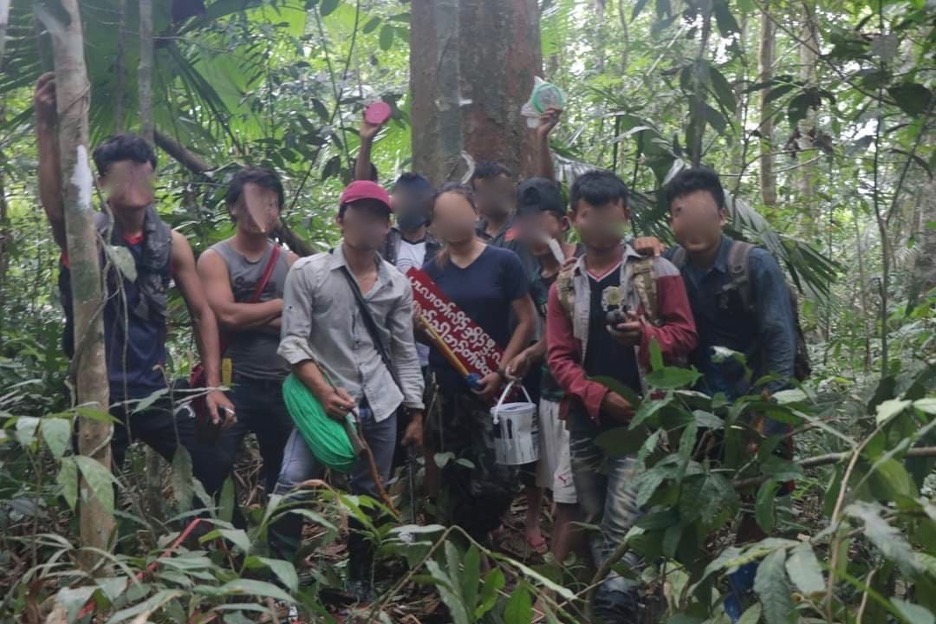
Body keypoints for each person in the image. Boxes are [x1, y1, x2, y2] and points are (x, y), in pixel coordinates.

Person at [34, 73, 235, 494]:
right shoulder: (89, 236)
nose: (133, 185)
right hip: (98, 392)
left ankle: (199, 547)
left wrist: (212, 387)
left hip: (153, 391)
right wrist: (45, 124)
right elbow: (56, 210)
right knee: (89, 494)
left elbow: (203, 313)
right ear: (103, 184)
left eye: (142, 175)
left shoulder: (172, 242)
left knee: (212, 467)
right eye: (122, 176)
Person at [646, 167, 799, 622]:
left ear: (721, 215)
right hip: (696, 407)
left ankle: (741, 595)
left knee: (756, 499)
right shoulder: (668, 264)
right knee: (691, 497)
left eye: (695, 212)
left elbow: (779, 343)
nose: (687, 225)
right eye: (677, 214)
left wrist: (768, 418)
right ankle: (693, 592)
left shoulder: (754, 265)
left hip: (755, 399)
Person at [546, 170, 697, 622]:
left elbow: (685, 334)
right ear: (574, 218)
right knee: (593, 517)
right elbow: (558, 356)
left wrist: (646, 336)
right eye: (589, 218)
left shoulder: (658, 271)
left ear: (626, 215)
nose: (599, 227)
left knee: (621, 522)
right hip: (587, 421)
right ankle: (619, 601)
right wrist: (595, 396)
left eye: (610, 217)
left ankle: (614, 611)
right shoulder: (564, 284)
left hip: (642, 419)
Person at [272, 180, 425, 601]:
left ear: (387, 226)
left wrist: (415, 412)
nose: (367, 223)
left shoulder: (396, 283)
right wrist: (322, 392)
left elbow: (404, 352)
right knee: (291, 481)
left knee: (371, 495)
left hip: (380, 402)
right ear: (341, 221)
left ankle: (362, 579)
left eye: (377, 216)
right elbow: (292, 342)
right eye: (358, 214)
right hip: (325, 402)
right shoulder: (309, 272)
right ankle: (278, 576)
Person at [422, 183, 536, 544]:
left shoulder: (504, 261)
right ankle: (465, 549)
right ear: (435, 225)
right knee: (452, 472)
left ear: (475, 213)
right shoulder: (431, 272)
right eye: (444, 217)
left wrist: (502, 369)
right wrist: (416, 325)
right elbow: (430, 335)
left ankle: (478, 531)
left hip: (495, 386)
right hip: (446, 388)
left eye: (459, 212)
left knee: (501, 479)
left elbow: (526, 320)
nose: (453, 222)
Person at [196, 167, 299, 495]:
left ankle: (280, 546)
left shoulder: (292, 262)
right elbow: (226, 315)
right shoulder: (215, 258)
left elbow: (303, 325)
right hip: (233, 382)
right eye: (254, 201)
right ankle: (224, 542)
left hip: (284, 384)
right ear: (234, 207)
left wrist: (248, 315)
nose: (262, 211)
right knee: (213, 466)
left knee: (286, 474)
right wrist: (283, 305)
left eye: (271, 204)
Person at [506, 177, 582, 563]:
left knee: (571, 497)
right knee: (558, 488)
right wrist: (528, 355)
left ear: (564, 223)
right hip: (549, 393)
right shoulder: (536, 278)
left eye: (542, 219)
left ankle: (556, 585)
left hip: (582, 396)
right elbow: (551, 334)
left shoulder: (590, 261)